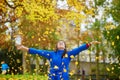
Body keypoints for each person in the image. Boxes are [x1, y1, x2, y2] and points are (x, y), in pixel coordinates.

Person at [16, 40, 100, 80]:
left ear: (64, 46)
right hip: (52, 76)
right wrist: (24, 48)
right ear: (56, 46)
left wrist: (90, 44)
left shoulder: (69, 54)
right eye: (59, 42)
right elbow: (38, 51)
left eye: (62, 43)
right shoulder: (51, 54)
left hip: (63, 76)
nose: (60, 43)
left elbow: (79, 49)